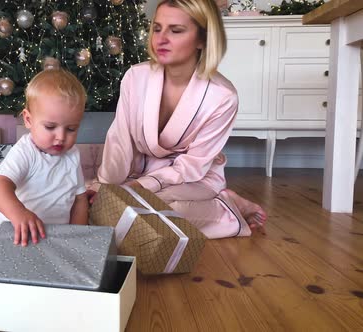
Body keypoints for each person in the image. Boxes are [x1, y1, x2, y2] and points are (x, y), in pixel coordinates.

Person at [90, 0, 267, 238]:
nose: (161, 39)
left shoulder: (222, 97)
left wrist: (140, 187)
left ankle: (227, 207)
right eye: (157, 28)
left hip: (192, 178)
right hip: (137, 173)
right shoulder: (136, 77)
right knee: (90, 202)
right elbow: (120, 140)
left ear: (203, 39)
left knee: (151, 212)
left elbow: (192, 165)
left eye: (176, 30)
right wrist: (106, 187)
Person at [0, 69, 89, 246]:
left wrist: (76, 236)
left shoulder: (72, 155)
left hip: (56, 238)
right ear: (28, 120)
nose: (60, 137)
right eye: (50, 127)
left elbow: (80, 199)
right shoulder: (25, 151)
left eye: (71, 129)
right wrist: (19, 213)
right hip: (17, 235)